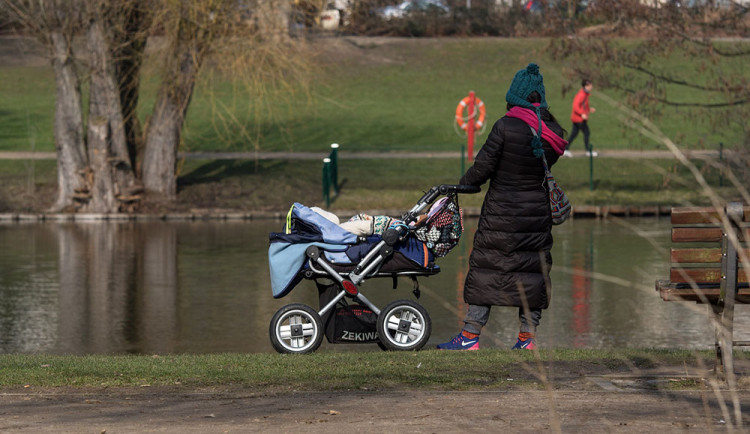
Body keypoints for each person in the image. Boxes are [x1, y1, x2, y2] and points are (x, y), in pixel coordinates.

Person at [436, 63, 567, 351]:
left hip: (501, 214)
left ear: (514, 97)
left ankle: (470, 336)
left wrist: (463, 184)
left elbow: (482, 168)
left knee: (487, 269)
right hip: (536, 214)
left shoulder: (505, 126)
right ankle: (526, 340)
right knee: (534, 273)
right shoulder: (553, 133)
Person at [564, 79, 596, 157]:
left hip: (578, 118)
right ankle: (588, 151)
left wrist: (589, 109)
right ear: (586, 86)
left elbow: (584, 105)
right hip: (579, 119)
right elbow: (575, 106)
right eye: (590, 85)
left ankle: (565, 149)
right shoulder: (581, 94)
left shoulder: (585, 94)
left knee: (573, 134)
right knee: (587, 132)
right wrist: (582, 114)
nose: (591, 86)